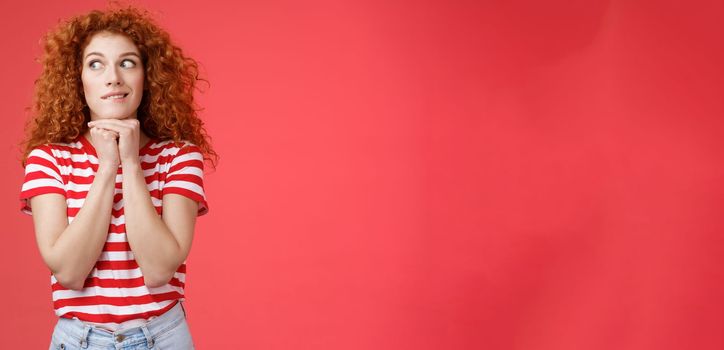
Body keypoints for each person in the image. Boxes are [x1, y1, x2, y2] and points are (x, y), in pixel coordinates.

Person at [18, 5, 217, 350]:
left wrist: (131, 162)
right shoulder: (48, 159)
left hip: (163, 338)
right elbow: (69, 271)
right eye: (96, 63)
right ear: (77, 79)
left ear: (147, 76)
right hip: (78, 341)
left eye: (127, 62)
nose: (113, 77)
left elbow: (158, 270)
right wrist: (108, 167)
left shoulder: (180, 157)